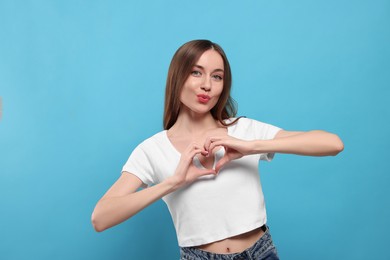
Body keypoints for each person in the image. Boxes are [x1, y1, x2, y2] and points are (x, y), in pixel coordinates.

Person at [91, 39, 344, 260]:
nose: (207, 85)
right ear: (177, 77)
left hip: (260, 253)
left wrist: (251, 146)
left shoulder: (243, 130)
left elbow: (333, 144)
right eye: (196, 73)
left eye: (217, 76)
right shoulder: (152, 149)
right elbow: (101, 218)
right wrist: (173, 182)